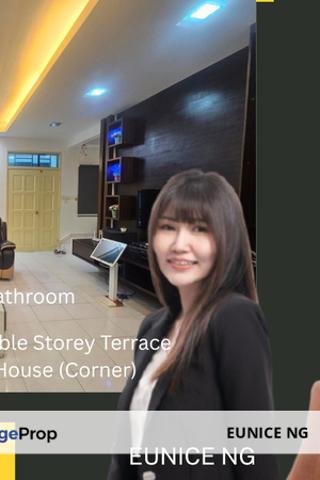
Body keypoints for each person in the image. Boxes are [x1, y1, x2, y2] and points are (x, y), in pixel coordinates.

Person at [108, 169, 277, 479]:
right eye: (168, 227)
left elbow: (256, 456)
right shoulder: (153, 325)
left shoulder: (234, 319)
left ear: (226, 240)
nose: (179, 243)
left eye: (199, 228)